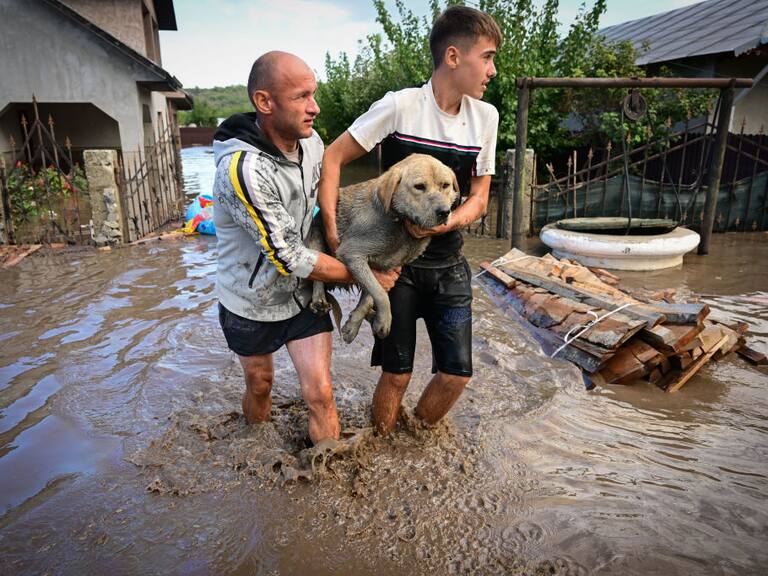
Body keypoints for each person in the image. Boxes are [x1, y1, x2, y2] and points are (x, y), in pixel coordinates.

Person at [318, 7, 502, 435]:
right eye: (488, 57)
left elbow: (479, 199)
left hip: (449, 264)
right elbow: (332, 157)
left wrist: (446, 223)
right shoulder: (400, 107)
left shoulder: (486, 118)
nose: (492, 70)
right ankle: (381, 446)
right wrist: (332, 236)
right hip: (395, 266)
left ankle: (416, 438)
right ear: (454, 57)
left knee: (457, 374)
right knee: (396, 374)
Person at [212, 51, 399, 445]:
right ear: (265, 102)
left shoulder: (312, 142)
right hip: (251, 301)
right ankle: (256, 451)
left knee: (320, 393)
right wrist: (367, 275)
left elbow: (329, 202)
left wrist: (376, 238)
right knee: (261, 385)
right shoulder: (243, 171)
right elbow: (288, 257)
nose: (314, 107)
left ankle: (327, 483)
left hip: (302, 296)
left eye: (314, 94)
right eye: (302, 97)